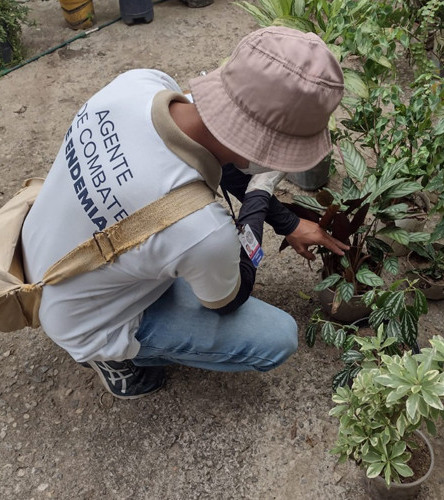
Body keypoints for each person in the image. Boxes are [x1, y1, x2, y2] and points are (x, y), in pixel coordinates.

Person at [21, 26, 348, 399]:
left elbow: (221, 154)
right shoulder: (201, 231)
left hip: (43, 247)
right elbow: (230, 298)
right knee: (276, 338)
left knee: (177, 250)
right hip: (79, 317)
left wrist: (285, 221)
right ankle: (108, 355)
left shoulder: (139, 85)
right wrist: (260, 193)